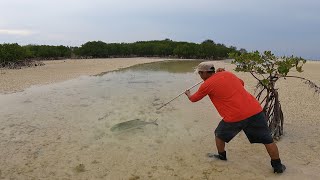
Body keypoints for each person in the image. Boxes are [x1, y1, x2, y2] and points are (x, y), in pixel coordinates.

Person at [184, 61, 286, 173]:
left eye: (200, 73)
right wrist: (224, 74)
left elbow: (194, 99)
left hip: (234, 116)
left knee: (219, 134)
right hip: (255, 111)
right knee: (268, 140)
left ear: (204, 73)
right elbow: (241, 83)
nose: (200, 76)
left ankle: (221, 156)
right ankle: (278, 166)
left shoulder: (206, 85)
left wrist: (188, 94)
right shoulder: (228, 74)